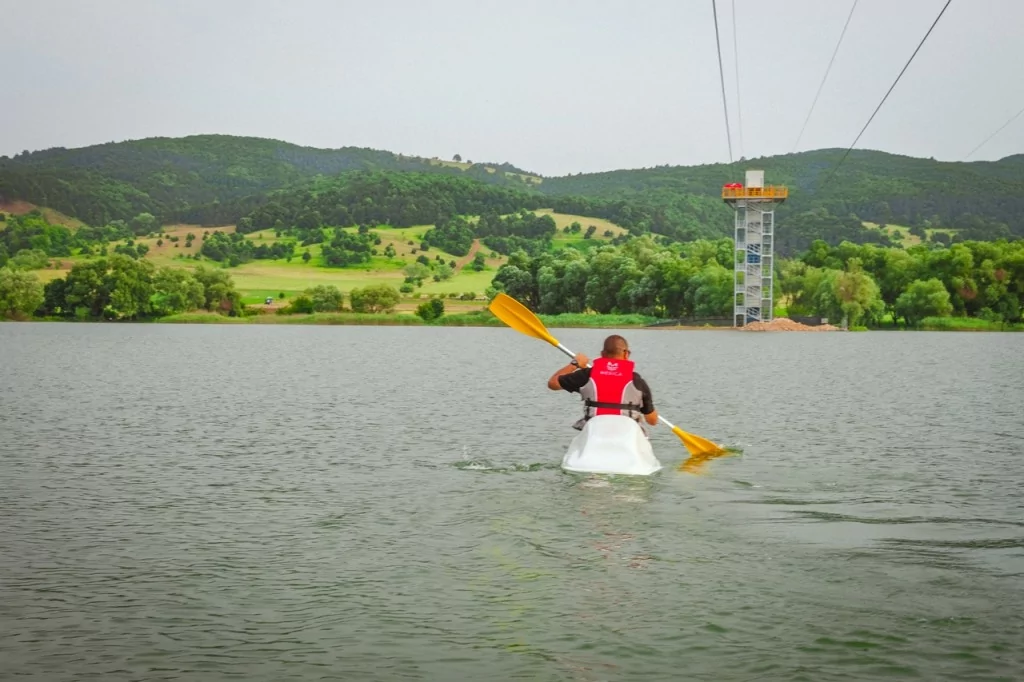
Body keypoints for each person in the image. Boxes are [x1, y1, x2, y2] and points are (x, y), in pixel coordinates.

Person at [547, 334, 658, 433]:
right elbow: (652, 421)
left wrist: (574, 364)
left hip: (596, 431)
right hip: (626, 433)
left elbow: (552, 383)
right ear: (626, 354)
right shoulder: (637, 381)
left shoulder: (587, 375)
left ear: (602, 354)